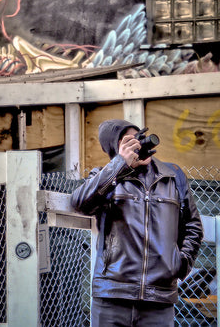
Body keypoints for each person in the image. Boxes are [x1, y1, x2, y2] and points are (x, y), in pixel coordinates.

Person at [70, 119, 204, 327]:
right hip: (112, 295)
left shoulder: (173, 177)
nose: (138, 145)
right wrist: (119, 165)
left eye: (138, 137)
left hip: (159, 298)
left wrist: (179, 264)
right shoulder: (105, 177)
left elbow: (192, 226)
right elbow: (80, 203)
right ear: (116, 149)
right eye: (129, 142)